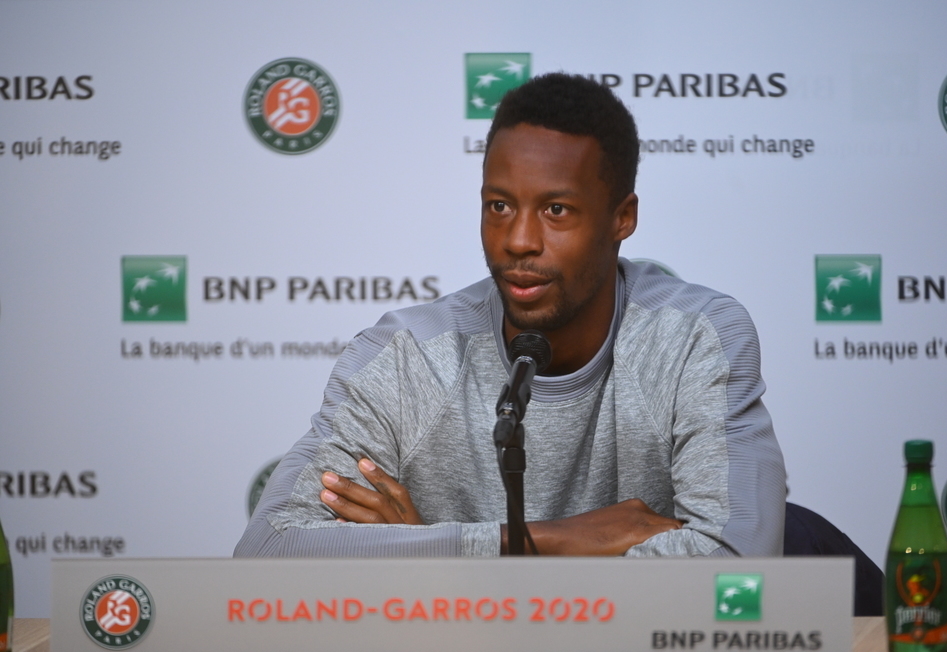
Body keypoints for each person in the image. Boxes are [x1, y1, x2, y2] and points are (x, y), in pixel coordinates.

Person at [235, 73, 785, 558]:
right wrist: (541, 540)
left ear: (622, 217)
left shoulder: (693, 337)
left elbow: (735, 563)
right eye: (499, 206)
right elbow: (269, 549)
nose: (519, 241)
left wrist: (422, 555)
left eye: (556, 210)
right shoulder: (406, 357)